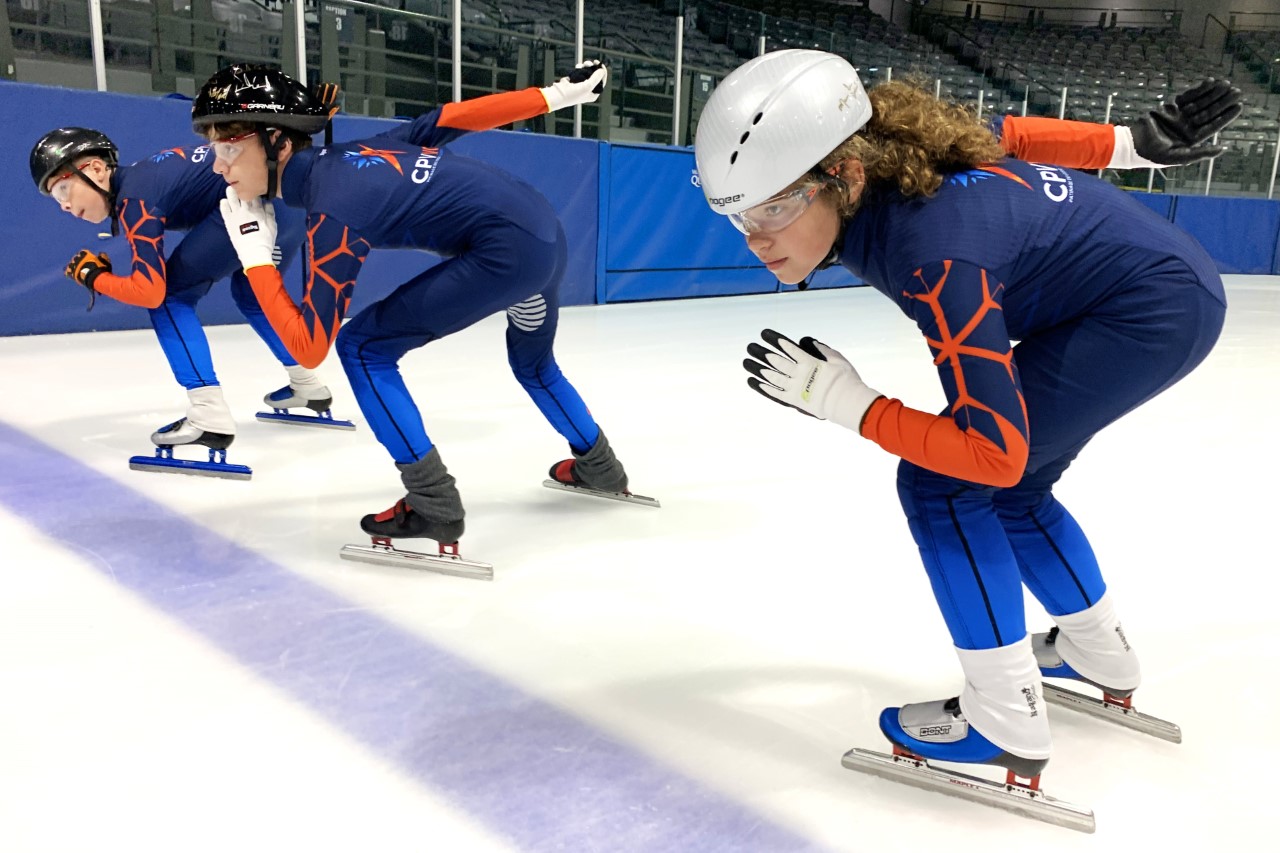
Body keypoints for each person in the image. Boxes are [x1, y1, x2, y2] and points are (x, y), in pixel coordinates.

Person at [695, 50, 1231, 795]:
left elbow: (990, 452)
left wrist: (850, 403)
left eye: (776, 208)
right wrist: (1127, 144)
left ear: (846, 176)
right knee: (1015, 491)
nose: (756, 238)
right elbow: (1014, 134)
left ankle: (1005, 716)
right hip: (1156, 288)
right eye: (740, 215)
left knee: (944, 484)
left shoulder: (936, 256)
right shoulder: (907, 150)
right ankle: (1097, 650)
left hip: (1145, 310)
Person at [192, 62, 640, 549]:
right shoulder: (360, 151)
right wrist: (556, 95)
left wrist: (256, 259)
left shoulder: (333, 208)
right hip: (544, 234)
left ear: (278, 142)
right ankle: (601, 467)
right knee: (534, 365)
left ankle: (433, 505)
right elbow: (453, 117)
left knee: (364, 348)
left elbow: (309, 347)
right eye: (216, 150)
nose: (219, 167)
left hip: (508, 254)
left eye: (229, 148)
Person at [30, 120, 347, 465]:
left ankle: (208, 415)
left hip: (253, 202)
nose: (63, 206)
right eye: (55, 198)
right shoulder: (142, 181)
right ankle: (307, 385)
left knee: (171, 298)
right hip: (290, 209)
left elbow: (150, 291)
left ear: (96, 169)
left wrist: (95, 277)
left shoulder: (135, 198)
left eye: (63, 190)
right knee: (253, 294)